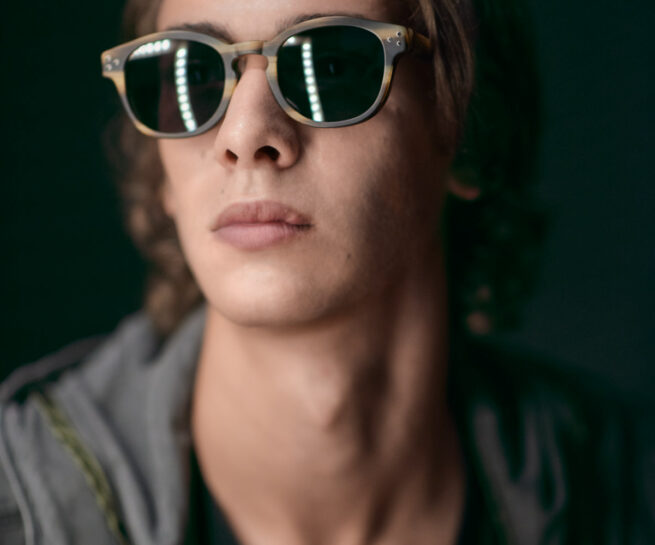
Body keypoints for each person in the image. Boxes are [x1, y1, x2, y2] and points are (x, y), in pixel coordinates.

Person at [0, 0, 652, 544]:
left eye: (332, 64)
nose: (244, 133)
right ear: (159, 170)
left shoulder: (624, 492)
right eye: (189, 74)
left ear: (466, 131)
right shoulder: (17, 506)